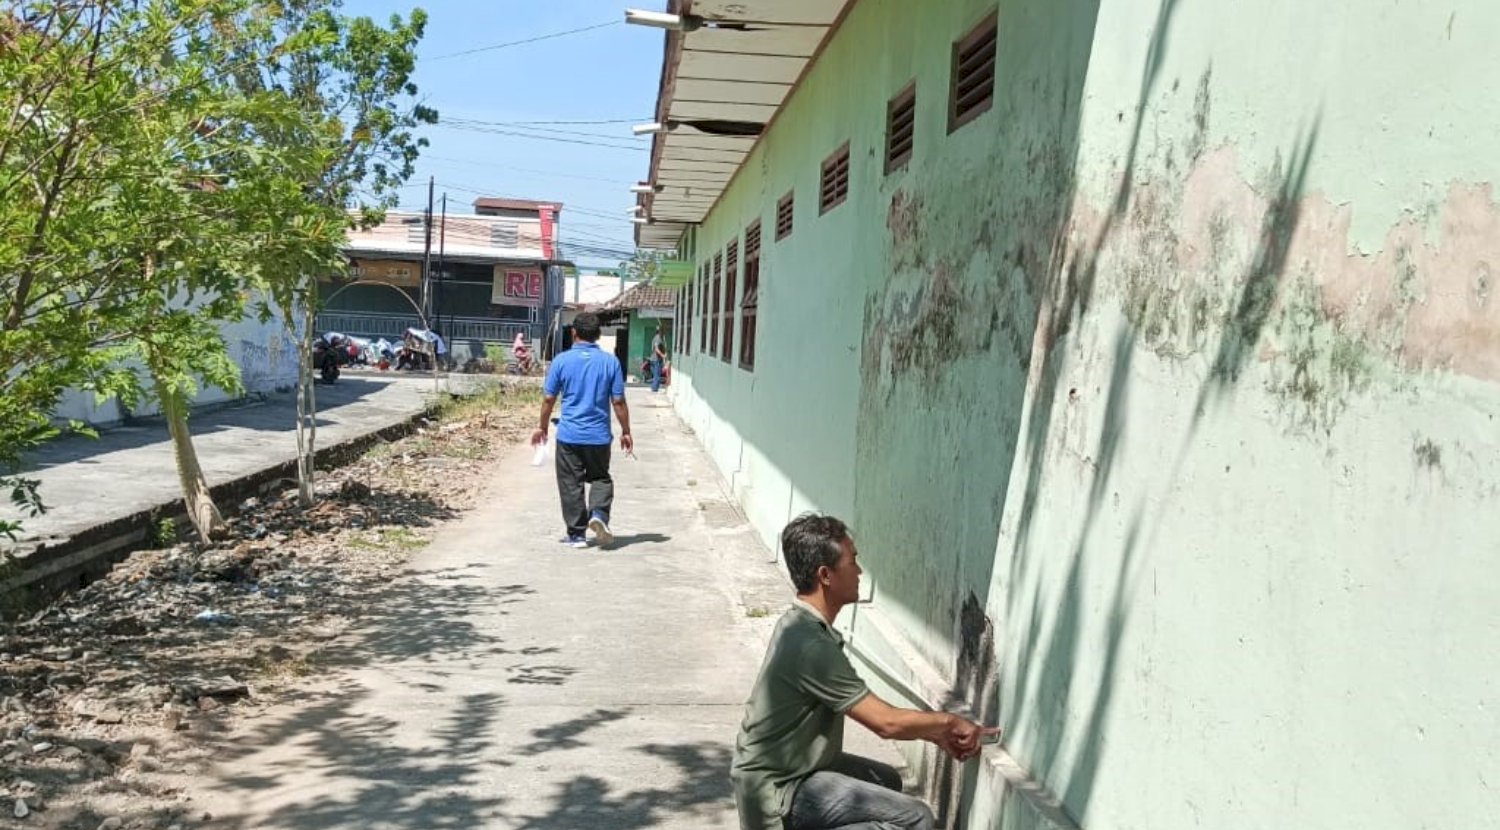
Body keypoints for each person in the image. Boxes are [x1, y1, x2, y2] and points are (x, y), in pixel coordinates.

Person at [732, 514, 997, 830]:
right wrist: (950, 722)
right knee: (917, 818)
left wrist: (936, 733)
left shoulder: (800, 625)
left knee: (885, 780)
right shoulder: (810, 645)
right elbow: (885, 722)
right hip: (779, 794)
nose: (859, 571)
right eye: (853, 562)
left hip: (788, 775)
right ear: (825, 575)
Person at [531, 313, 633, 549]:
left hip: (569, 435)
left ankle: (577, 534)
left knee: (570, 483)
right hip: (598, 437)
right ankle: (598, 514)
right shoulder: (611, 362)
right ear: (598, 335)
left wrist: (542, 427)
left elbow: (548, 399)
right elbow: (618, 402)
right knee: (600, 478)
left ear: (573, 333)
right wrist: (626, 431)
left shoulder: (561, 361)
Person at [649, 323, 668, 393]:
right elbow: (656, 349)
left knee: (656, 375)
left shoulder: (657, 338)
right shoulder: (658, 338)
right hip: (656, 359)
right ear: (660, 331)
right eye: (662, 331)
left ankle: (654, 387)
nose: (664, 332)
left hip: (654, 359)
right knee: (657, 375)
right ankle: (654, 388)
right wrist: (663, 355)